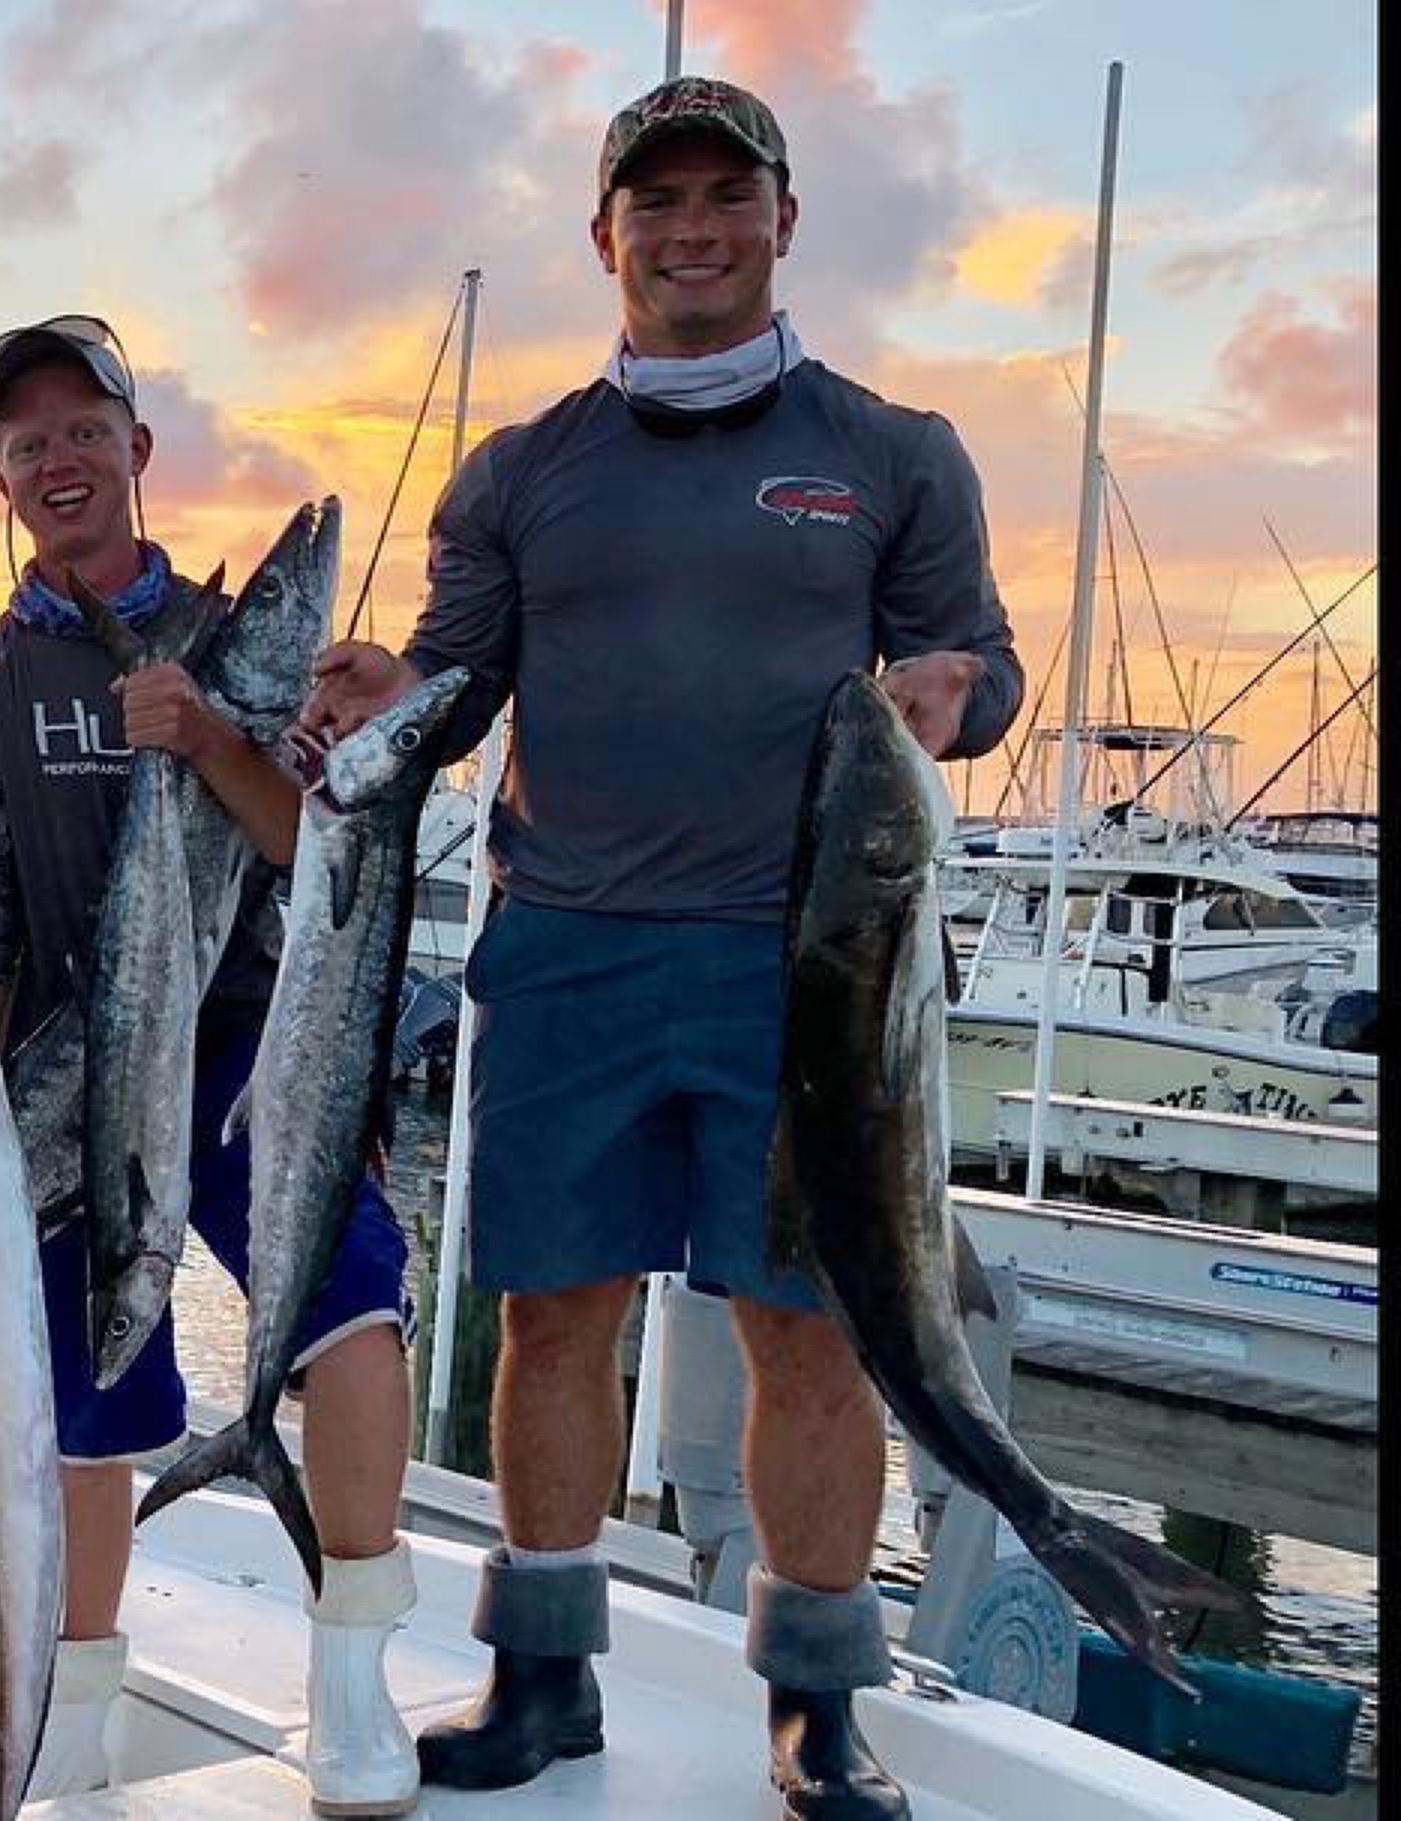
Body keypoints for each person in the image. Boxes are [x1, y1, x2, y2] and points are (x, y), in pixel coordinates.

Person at [297, 77, 1024, 1821]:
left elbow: (982, 664)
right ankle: (544, 1675)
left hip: (807, 972)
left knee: (809, 1337)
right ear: (604, 232)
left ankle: (817, 1702)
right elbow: (456, 680)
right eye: (659, 201)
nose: (693, 229)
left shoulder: (896, 451)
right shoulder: (520, 471)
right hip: (567, 954)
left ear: (784, 220)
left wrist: (959, 691)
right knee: (554, 1322)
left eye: (726, 196)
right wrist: (398, 692)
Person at [0, 313, 426, 1814]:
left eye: (86, 429)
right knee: (83, 1401)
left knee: (354, 1309)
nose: (59, 458)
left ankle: (353, 1674)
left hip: (250, 1048)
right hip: (71, 1070)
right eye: (28, 441)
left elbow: (318, 846)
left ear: (136, 447)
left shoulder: (252, 644)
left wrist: (205, 736)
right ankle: (74, 1720)